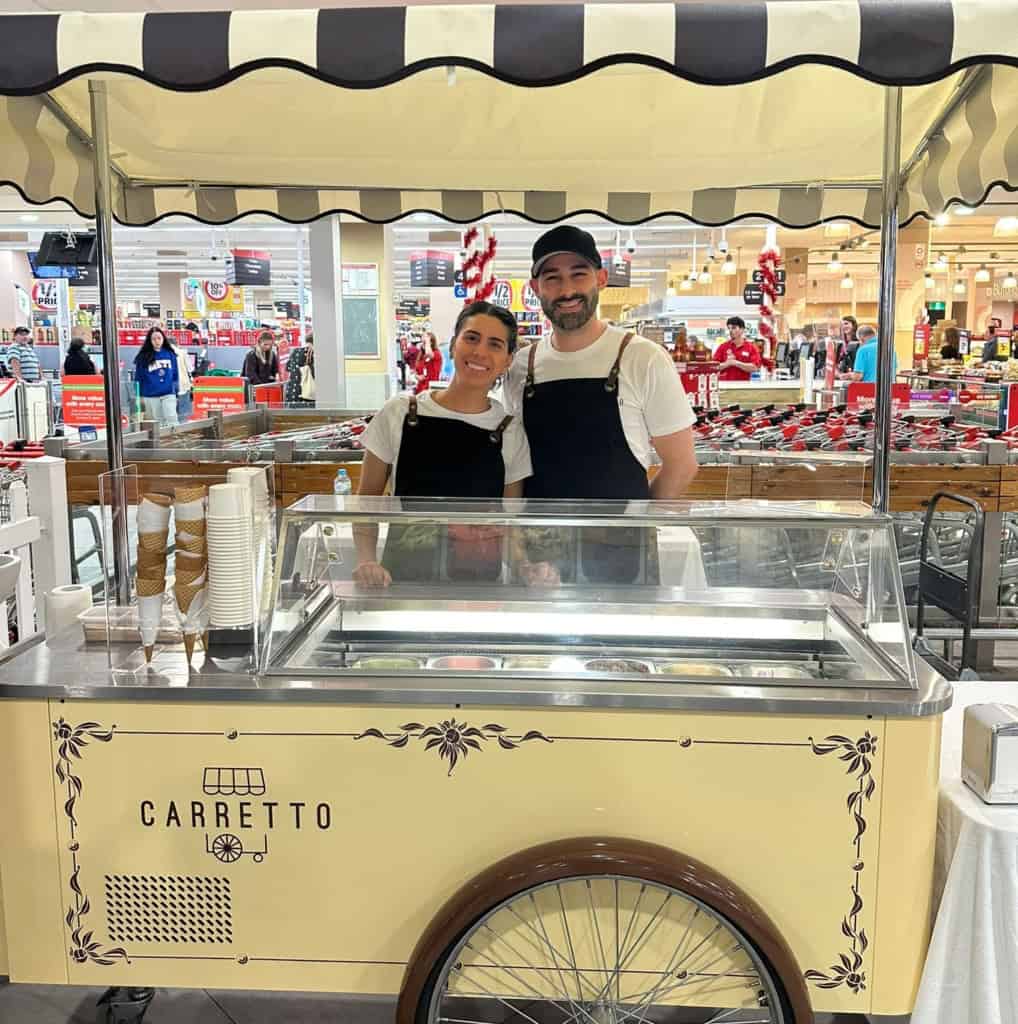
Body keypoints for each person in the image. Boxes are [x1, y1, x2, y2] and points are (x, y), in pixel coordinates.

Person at [506, 225, 697, 503]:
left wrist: (637, 529)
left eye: (579, 274)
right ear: (536, 288)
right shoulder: (522, 365)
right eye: (552, 278)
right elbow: (515, 464)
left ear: (602, 278)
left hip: (622, 543)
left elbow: (682, 466)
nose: (567, 290)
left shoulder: (643, 358)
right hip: (540, 541)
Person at [353, 301, 531, 586]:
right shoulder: (399, 412)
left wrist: (525, 567)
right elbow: (366, 501)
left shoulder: (510, 430)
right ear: (453, 345)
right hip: (400, 581)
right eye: (471, 338)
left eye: (495, 344)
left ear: (508, 359)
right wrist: (366, 561)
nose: (480, 352)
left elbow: (509, 524)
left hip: (481, 588)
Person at [134, 326, 179, 426]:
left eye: (159, 338)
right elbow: (139, 377)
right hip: (151, 394)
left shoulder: (170, 354)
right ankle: (163, 441)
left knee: (172, 418)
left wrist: (176, 390)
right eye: (154, 339)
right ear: (150, 341)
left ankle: (176, 438)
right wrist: (139, 395)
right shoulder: (143, 356)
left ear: (163, 339)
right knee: (159, 422)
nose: (157, 341)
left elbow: (175, 374)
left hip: (168, 392)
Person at [713, 317, 762, 381]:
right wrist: (727, 364)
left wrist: (736, 363)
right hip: (724, 386)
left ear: (742, 329)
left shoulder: (751, 347)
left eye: (733, 328)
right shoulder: (723, 347)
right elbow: (713, 367)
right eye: (729, 328)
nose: (730, 330)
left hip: (743, 386)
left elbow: (755, 367)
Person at [285, 333, 314, 405]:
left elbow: (288, 367)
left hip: (292, 394)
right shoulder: (313, 354)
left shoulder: (295, 351)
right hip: (307, 397)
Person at [175, 346, 194, 421]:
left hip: (168, 386)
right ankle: (183, 425)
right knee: (183, 409)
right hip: (182, 384)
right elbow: (190, 368)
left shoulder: (162, 352)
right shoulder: (182, 352)